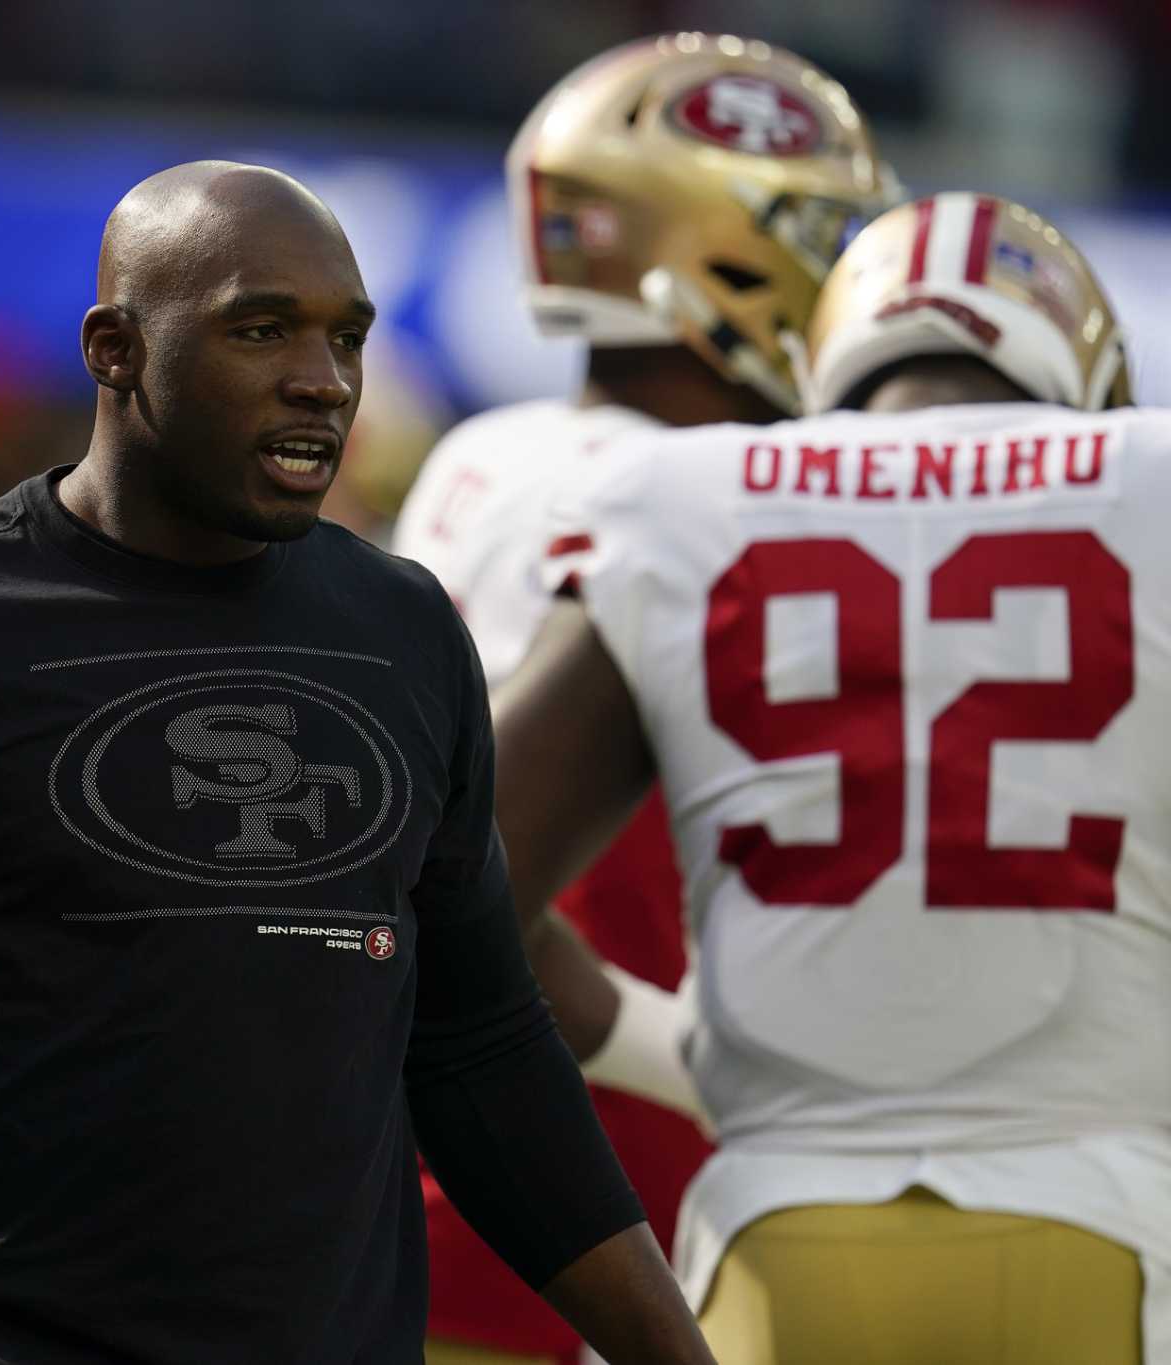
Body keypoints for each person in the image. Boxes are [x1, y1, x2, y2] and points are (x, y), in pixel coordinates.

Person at [0, 159, 716, 1365]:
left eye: (344, 338)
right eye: (260, 332)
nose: (322, 383)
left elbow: (478, 1050)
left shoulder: (403, 633)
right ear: (114, 350)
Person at [493, 192, 1161, 1362]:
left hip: (774, 1234)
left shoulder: (677, 497)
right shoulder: (1148, 480)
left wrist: (679, 1049)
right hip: (1105, 1228)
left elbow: (456, 875)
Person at [390, 34, 896, 1363]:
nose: (851, 277)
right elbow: (467, 881)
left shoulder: (494, 454)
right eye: (818, 235)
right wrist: (719, 1067)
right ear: (716, 252)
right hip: (573, 1205)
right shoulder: (677, 496)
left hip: (468, 1184)